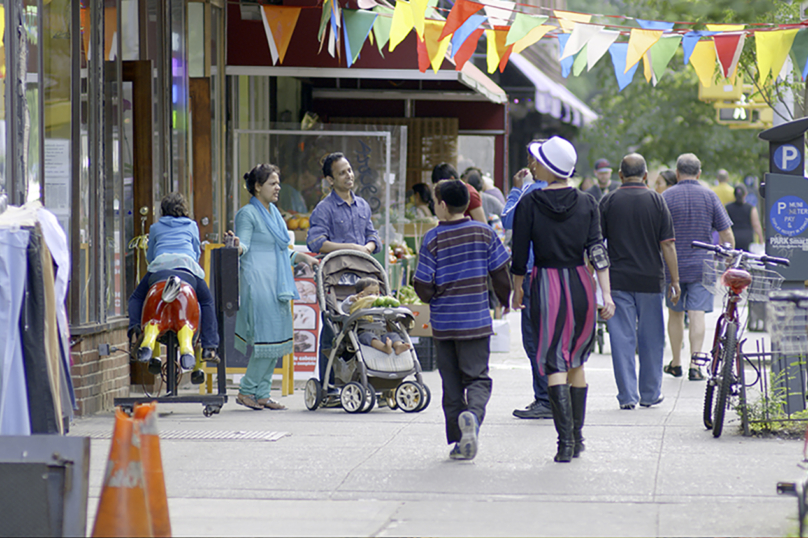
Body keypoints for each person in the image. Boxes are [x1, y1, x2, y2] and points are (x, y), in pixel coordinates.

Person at [511, 136, 615, 463]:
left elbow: (518, 254)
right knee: (577, 361)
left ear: (550, 167)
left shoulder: (528, 203)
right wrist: (606, 294)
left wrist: (517, 288)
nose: (534, 164)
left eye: (538, 160)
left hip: (545, 285)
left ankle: (564, 443)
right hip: (580, 285)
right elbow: (597, 251)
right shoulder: (587, 203)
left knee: (554, 360)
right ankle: (578, 437)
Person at [413, 179, 511, 461]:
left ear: (443, 205)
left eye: (434, 201)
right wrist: (504, 302)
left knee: (452, 384)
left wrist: (433, 297)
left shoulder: (432, 238)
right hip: (476, 321)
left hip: (445, 324)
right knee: (478, 378)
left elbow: (422, 285)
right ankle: (473, 416)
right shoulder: (484, 232)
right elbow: (500, 274)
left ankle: (458, 441)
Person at [234, 164, 319, 411]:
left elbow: (282, 251)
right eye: (272, 183)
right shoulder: (247, 214)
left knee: (278, 338)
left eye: (278, 182)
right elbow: (244, 246)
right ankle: (247, 390)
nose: (278, 187)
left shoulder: (274, 213)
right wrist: (237, 246)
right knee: (266, 340)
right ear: (258, 187)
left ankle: (262, 393)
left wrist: (304, 258)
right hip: (258, 282)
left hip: (277, 284)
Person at [599, 153, 681, 410]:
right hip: (649, 280)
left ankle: (626, 397)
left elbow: (597, 244)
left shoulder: (608, 200)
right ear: (645, 175)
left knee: (621, 338)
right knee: (651, 338)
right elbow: (667, 244)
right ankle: (649, 393)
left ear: (620, 175)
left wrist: (596, 280)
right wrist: (674, 280)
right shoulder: (657, 201)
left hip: (618, 280)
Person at [307, 152, 382, 386]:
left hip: (362, 279)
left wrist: (367, 248)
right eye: (342, 172)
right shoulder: (324, 208)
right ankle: (329, 384)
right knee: (333, 329)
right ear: (330, 180)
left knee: (366, 326)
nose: (348, 175)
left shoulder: (363, 205)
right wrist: (349, 247)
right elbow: (316, 242)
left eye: (349, 170)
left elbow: (374, 236)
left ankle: (362, 379)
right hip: (336, 280)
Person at [662, 153, 734, 381]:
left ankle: (676, 363)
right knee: (697, 314)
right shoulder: (710, 196)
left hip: (672, 265)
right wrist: (729, 259)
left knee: (675, 313)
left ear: (677, 173)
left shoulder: (666, 196)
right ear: (699, 173)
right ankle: (696, 364)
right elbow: (726, 233)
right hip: (702, 265)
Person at [127, 192, 219, 369]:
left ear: (162, 210)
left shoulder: (155, 228)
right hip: (186, 270)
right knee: (207, 301)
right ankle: (209, 346)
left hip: (160, 270)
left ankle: (136, 330)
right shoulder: (192, 226)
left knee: (136, 298)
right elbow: (196, 252)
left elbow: (151, 254)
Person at [501, 159, 552, 420]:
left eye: (533, 158)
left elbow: (508, 221)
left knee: (534, 339)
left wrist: (516, 189)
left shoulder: (531, 192)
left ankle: (544, 399)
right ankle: (555, 397)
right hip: (559, 276)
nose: (530, 164)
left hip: (533, 274)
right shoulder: (569, 194)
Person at [341, 278, 412, 355]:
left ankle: (398, 346)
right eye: (370, 294)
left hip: (383, 334)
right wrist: (351, 299)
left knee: (394, 335)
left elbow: (391, 317)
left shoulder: (380, 304)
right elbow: (344, 308)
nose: (374, 296)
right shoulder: (358, 304)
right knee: (368, 337)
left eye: (377, 293)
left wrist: (390, 305)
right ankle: (384, 348)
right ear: (361, 294)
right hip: (365, 333)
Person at [726, 185, 764, 252]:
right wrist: (761, 240)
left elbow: (724, 226)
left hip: (732, 238)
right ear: (745, 194)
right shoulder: (751, 208)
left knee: (732, 259)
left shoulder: (728, 208)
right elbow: (756, 225)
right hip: (747, 239)